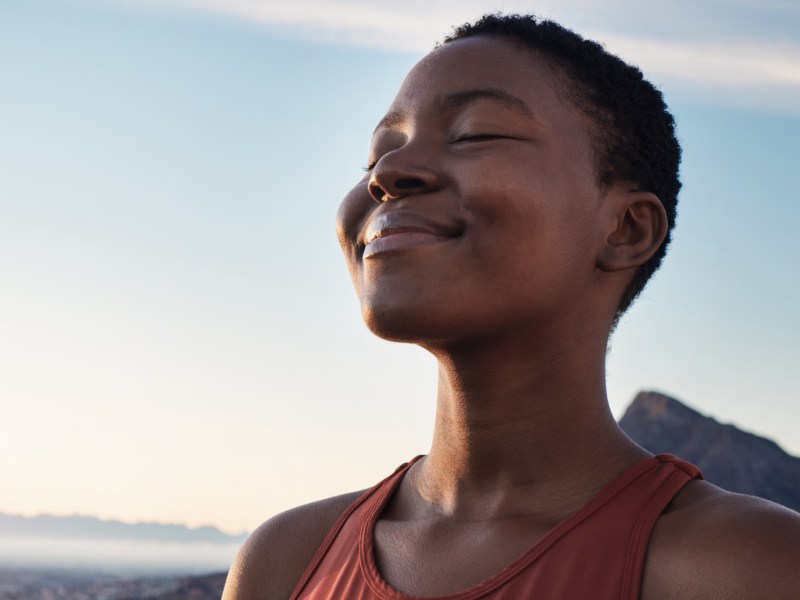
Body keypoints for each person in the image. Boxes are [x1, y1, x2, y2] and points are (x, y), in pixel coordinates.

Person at [223, 13, 800, 600]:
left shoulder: (749, 568)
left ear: (625, 229)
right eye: (375, 157)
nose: (388, 174)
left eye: (474, 134)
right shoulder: (284, 561)